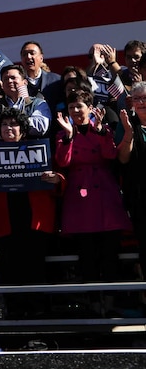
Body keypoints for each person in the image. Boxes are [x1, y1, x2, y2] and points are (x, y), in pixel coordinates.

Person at [0, 108, 60, 317]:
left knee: (36, 274)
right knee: (9, 274)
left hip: (35, 224)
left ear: (23, 130)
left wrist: (56, 179)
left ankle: (39, 323)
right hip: (3, 225)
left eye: (14, 124)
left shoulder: (41, 150)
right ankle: (15, 322)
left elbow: (60, 183)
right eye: (5, 125)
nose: (9, 128)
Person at [55, 89, 130, 285]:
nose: (75, 111)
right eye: (71, 107)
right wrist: (69, 136)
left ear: (90, 108)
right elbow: (63, 162)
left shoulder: (103, 129)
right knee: (86, 256)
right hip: (79, 198)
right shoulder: (63, 134)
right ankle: (94, 304)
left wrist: (101, 132)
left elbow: (110, 155)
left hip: (105, 194)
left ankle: (112, 302)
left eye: (79, 106)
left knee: (110, 255)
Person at [119, 82, 146, 271]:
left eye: (145, 98)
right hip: (141, 198)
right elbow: (123, 159)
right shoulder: (128, 124)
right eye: (137, 99)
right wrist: (128, 133)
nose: (142, 102)